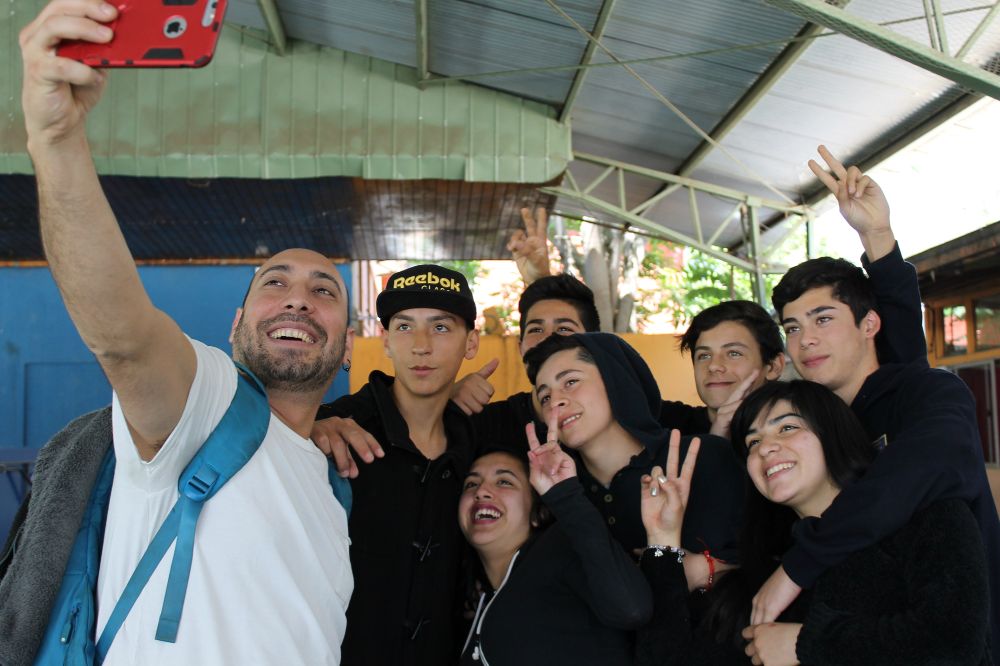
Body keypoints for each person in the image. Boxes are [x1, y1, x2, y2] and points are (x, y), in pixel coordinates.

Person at [7, 1, 354, 664]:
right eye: (274, 283)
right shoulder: (205, 405)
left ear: (345, 340)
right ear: (234, 327)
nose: (299, 301)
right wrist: (55, 143)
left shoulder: (335, 482)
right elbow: (125, 337)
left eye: (324, 291)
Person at [750, 147, 1000, 658]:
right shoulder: (817, 426)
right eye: (793, 328)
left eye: (823, 320)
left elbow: (915, 438)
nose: (805, 341)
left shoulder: (927, 398)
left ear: (868, 325)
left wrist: (799, 568)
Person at [637, 380, 990, 665]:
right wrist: (663, 540)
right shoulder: (767, 573)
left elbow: (954, 643)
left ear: (833, 432)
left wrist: (806, 645)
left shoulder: (929, 518)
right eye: (753, 441)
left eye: (787, 428)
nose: (765, 448)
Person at [315, 264, 481, 666]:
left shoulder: (479, 446)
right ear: (386, 340)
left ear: (471, 343)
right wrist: (308, 431)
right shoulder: (333, 431)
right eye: (404, 327)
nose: (421, 346)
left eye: (441, 328)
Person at [523, 332, 744, 587]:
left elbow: (767, 558)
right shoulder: (562, 495)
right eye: (545, 397)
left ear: (615, 379)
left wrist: (708, 568)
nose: (556, 402)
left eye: (571, 382)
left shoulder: (704, 456)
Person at [458, 423, 652, 664]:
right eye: (471, 484)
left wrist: (565, 495)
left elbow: (632, 609)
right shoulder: (477, 602)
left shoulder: (560, 549)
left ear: (538, 514)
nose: (481, 492)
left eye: (504, 482)